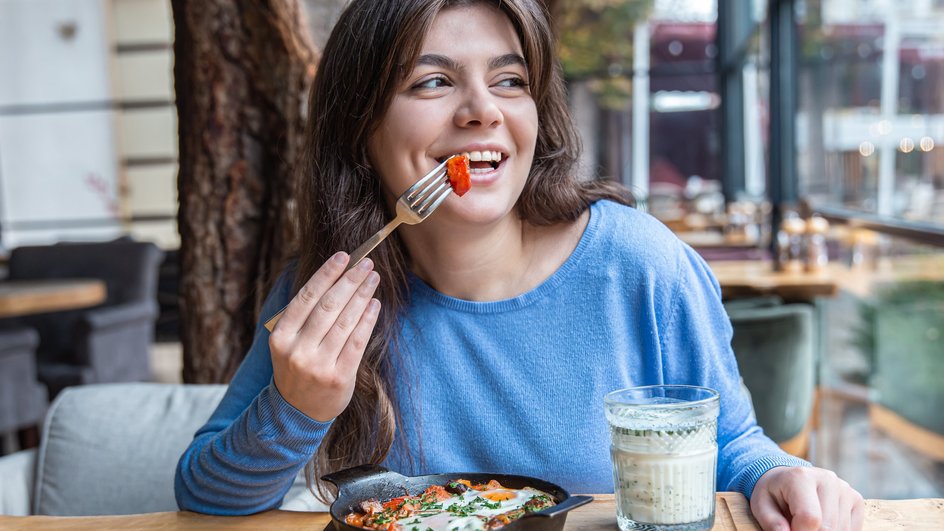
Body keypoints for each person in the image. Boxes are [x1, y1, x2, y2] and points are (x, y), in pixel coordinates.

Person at [175, 0, 865, 529]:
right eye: (433, 81)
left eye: (510, 80)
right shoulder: (330, 291)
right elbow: (204, 493)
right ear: (361, 129)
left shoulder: (639, 263)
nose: (483, 111)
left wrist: (780, 473)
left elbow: (732, 442)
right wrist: (296, 409)